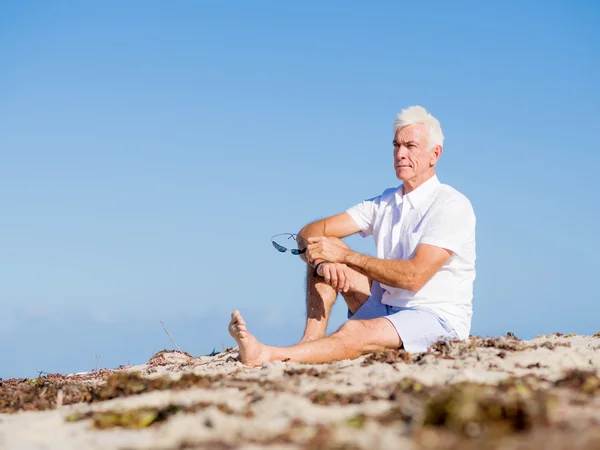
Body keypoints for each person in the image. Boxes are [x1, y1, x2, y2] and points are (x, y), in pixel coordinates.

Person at [229, 105, 476, 367]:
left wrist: (346, 255)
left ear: (434, 154)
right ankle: (308, 342)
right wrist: (325, 263)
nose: (400, 154)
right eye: (396, 146)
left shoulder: (451, 205)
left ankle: (267, 354)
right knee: (324, 247)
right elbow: (309, 234)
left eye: (410, 146)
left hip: (435, 317)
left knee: (353, 332)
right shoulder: (385, 202)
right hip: (387, 307)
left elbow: (414, 277)